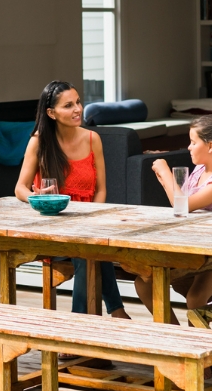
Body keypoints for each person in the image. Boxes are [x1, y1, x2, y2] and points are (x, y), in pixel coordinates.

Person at [13, 80, 131, 319]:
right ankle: (110, 313)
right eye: (68, 105)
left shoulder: (92, 139)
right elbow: (20, 188)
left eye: (78, 102)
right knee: (89, 252)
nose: (77, 109)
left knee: (89, 249)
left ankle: (88, 318)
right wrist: (36, 197)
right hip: (54, 229)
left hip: (89, 226)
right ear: (51, 113)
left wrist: (91, 220)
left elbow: (101, 190)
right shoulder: (39, 141)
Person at [134, 114, 212, 322]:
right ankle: (174, 333)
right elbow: (181, 203)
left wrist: (165, 171)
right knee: (143, 284)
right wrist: (163, 176)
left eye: (193, 142)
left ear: (210, 146)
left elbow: (182, 205)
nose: (188, 147)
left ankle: (199, 339)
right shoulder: (199, 171)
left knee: (195, 299)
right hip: (196, 248)